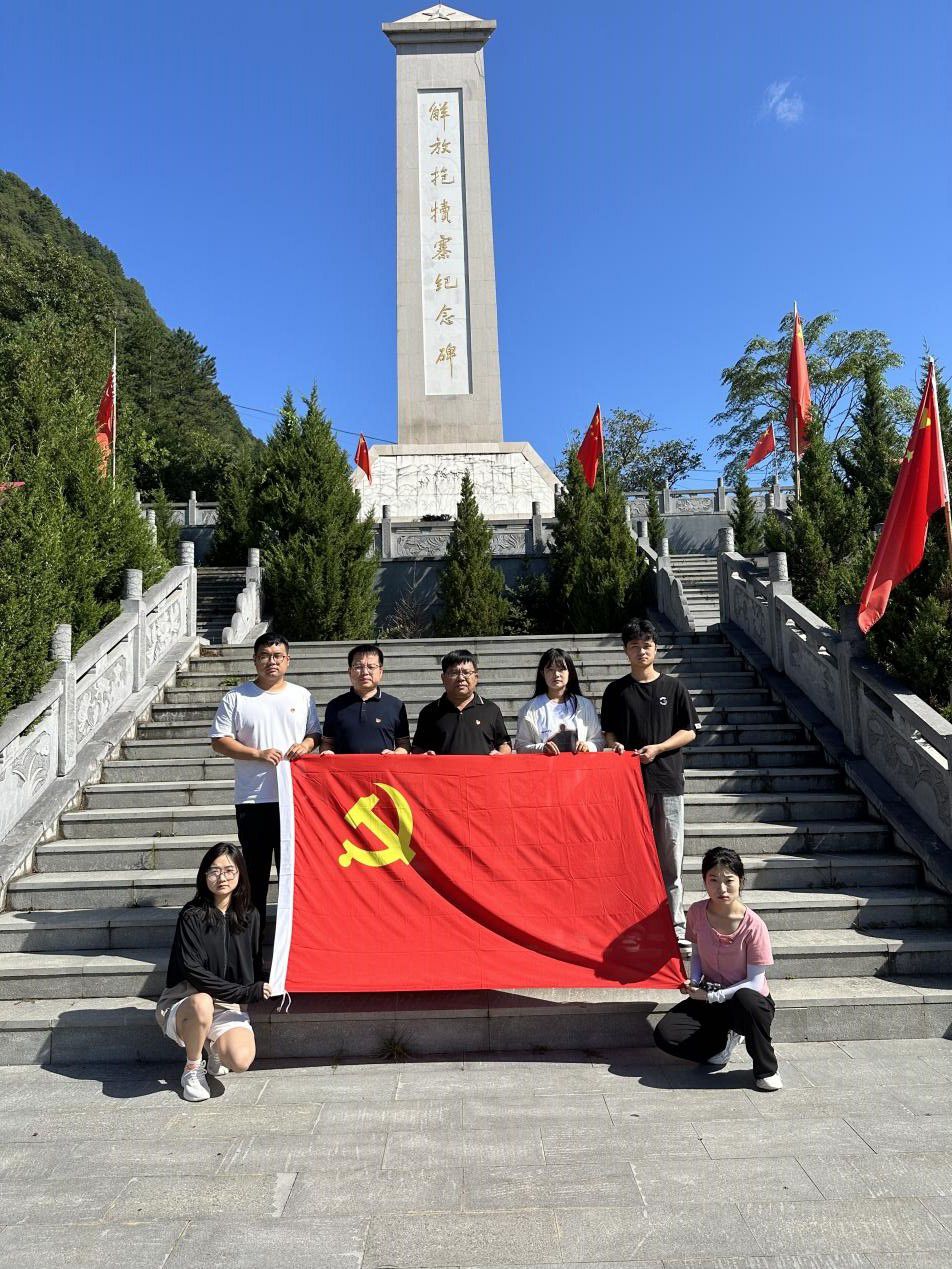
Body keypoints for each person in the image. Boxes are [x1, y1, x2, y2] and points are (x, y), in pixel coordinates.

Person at [209, 633, 320, 963]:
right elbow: (219, 740)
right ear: (255, 659)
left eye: (278, 655)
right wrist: (257, 754)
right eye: (265, 655)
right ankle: (252, 954)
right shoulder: (237, 697)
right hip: (254, 800)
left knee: (292, 877)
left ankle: (294, 952)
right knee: (254, 878)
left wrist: (306, 745)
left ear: (288, 660)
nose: (272, 661)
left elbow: (314, 733)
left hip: (294, 801)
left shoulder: (302, 695)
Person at [601, 618, 698, 945]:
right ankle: (631, 926)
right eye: (634, 646)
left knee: (670, 858)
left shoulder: (674, 688)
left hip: (668, 782)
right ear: (625, 651)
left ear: (655, 649)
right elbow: (609, 732)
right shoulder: (616, 691)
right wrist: (614, 745)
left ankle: (675, 926)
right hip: (629, 787)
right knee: (631, 858)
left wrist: (659, 748)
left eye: (646, 645)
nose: (641, 651)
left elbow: (689, 731)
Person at [653, 847, 782, 1091]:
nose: (721, 888)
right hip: (710, 995)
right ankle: (722, 1044)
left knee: (746, 998)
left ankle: (766, 1069)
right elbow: (697, 953)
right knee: (666, 1035)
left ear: (741, 881)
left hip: (747, 1004)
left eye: (728, 880)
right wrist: (694, 982)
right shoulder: (697, 912)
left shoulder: (754, 926)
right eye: (713, 880)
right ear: (704, 881)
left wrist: (712, 996)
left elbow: (755, 982)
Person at [155, 842, 271, 1102]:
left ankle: (214, 1047)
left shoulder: (250, 915)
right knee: (203, 1003)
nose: (222, 878)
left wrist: (256, 990)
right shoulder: (192, 915)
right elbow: (193, 971)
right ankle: (192, 1068)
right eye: (214, 871)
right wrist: (244, 992)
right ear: (204, 875)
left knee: (240, 1060)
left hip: (227, 1002)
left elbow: (252, 964)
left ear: (240, 874)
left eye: (229, 871)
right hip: (186, 999)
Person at [412, 649, 511, 755]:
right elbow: (418, 748)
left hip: (482, 766)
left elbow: (504, 744)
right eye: (454, 673)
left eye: (466, 672)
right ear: (443, 678)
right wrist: (423, 757)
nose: (460, 678)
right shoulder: (429, 712)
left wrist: (501, 755)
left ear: (476, 677)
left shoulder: (491, 710)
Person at [319, 643, 411, 755]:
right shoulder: (335, 705)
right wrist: (327, 752)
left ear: (381, 671)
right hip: (344, 767)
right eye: (358, 667)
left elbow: (404, 744)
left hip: (383, 766)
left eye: (371, 667)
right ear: (349, 671)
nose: (365, 672)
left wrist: (396, 754)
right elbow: (327, 743)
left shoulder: (396, 706)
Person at [515, 647, 603, 754]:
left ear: (570, 672)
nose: (556, 674)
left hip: (579, 764)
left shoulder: (585, 705)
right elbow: (521, 746)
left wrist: (587, 746)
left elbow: (598, 741)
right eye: (550, 669)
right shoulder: (529, 710)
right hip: (546, 765)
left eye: (561, 669)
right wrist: (542, 748)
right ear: (542, 673)